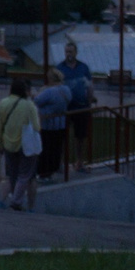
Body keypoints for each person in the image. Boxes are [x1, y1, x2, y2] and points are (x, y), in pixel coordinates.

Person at [0, 77, 40, 211]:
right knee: (25, 175)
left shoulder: (3, 103)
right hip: (25, 145)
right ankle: (16, 201)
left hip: (8, 143)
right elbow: (37, 126)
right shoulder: (29, 105)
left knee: (12, 174)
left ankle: (6, 201)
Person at [58, 39, 94, 171]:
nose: (69, 54)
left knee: (80, 136)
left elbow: (90, 86)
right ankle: (60, 163)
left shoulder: (83, 68)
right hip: (65, 108)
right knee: (62, 136)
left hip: (81, 107)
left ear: (76, 52)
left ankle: (79, 162)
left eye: (71, 51)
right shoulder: (59, 68)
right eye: (67, 51)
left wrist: (89, 103)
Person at [33, 67, 72, 182]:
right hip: (61, 124)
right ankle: (54, 169)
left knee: (46, 150)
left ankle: (44, 173)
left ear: (51, 79)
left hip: (48, 125)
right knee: (56, 149)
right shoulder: (66, 89)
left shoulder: (49, 92)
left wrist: (37, 93)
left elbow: (37, 101)